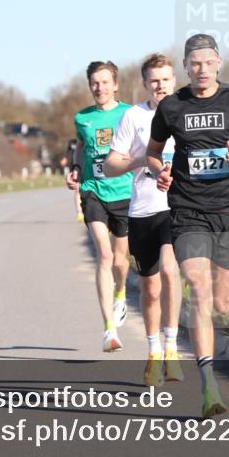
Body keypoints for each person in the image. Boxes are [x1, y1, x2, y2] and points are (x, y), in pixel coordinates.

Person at [146, 34, 229, 418]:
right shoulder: (171, 106)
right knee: (198, 289)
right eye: (194, 63)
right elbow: (152, 153)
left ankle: (208, 371)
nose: (201, 69)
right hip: (187, 210)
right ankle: (209, 386)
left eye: (207, 62)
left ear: (219, 62)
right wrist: (160, 173)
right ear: (186, 66)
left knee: (222, 302)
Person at [104, 53, 183, 386]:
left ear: (174, 81)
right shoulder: (133, 117)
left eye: (165, 79)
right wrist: (139, 160)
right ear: (145, 83)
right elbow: (110, 166)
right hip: (142, 211)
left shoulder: (184, 112)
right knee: (150, 289)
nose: (160, 85)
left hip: (176, 207)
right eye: (154, 80)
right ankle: (153, 353)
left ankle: (172, 349)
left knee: (170, 270)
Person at [65, 61, 133, 352]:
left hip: (125, 193)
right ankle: (109, 329)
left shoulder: (129, 114)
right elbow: (80, 146)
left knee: (120, 260)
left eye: (105, 82)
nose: (99, 88)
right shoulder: (82, 118)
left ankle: (121, 292)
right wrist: (76, 170)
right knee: (104, 255)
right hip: (93, 192)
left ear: (115, 85)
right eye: (94, 83)